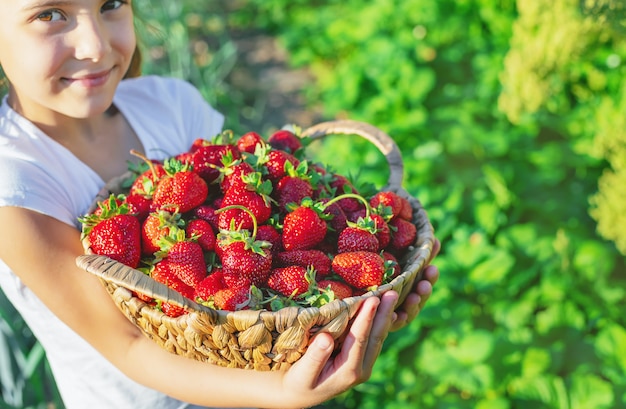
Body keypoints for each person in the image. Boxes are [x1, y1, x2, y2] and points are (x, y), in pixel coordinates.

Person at [0, 1, 441, 408]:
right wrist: (284, 393)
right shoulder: (14, 184)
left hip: (248, 370)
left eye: (112, 3)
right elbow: (130, 344)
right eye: (49, 14)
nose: (95, 46)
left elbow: (243, 213)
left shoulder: (168, 103)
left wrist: (345, 321)